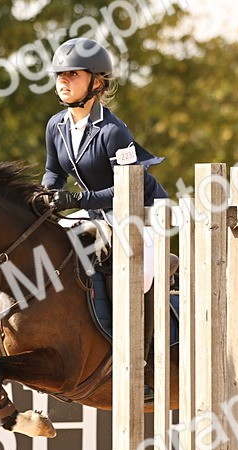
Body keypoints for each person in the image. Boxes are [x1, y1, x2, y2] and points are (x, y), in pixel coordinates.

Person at [40, 37, 167, 291]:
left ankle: (147, 330)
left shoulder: (112, 131)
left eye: (72, 74)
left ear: (96, 82)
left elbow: (128, 189)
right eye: (60, 75)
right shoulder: (56, 125)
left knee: (135, 283)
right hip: (97, 211)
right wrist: (44, 195)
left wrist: (76, 200)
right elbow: (54, 171)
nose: (63, 80)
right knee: (47, 240)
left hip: (141, 213)